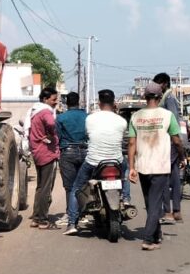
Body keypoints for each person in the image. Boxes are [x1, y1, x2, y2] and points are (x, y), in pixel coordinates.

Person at [63, 89, 130, 236]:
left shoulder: (90, 119)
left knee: (76, 188)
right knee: (125, 170)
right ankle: (125, 198)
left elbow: (88, 135)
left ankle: (72, 223)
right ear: (114, 103)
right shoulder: (122, 121)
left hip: (94, 161)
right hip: (116, 161)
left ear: (99, 103)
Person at [128, 83, 186, 251]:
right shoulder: (167, 115)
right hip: (160, 166)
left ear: (145, 97)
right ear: (160, 98)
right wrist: (182, 157)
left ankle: (156, 235)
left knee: (150, 202)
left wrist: (131, 167)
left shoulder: (136, 116)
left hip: (143, 166)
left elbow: (132, 143)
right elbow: (177, 140)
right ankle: (147, 239)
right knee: (155, 204)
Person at [153, 72, 186, 224]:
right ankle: (176, 210)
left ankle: (168, 210)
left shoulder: (169, 98)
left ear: (164, 84)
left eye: (158, 84)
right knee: (173, 176)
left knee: (164, 177)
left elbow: (171, 120)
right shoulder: (165, 98)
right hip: (170, 141)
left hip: (169, 141)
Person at [27, 87, 60, 229]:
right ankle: (42, 220)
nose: (56, 102)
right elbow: (52, 123)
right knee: (46, 188)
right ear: (45, 100)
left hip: (37, 152)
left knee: (40, 187)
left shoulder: (35, 111)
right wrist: (53, 134)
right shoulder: (46, 111)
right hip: (46, 153)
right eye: (53, 100)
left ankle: (36, 217)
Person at [55, 92, 87, 226]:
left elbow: (58, 136)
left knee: (70, 187)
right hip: (85, 151)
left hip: (67, 153)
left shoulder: (61, 118)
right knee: (83, 185)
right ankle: (83, 214)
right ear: (78, 101)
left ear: (67, 103)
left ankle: (70, 214)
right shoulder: (87, 117)